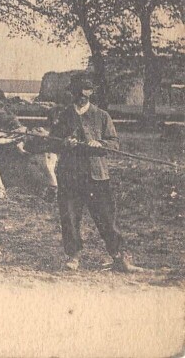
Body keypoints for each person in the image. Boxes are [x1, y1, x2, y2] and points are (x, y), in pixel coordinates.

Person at [49, 73, 143, 273]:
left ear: (91, 94)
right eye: (79, 94)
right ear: (72, 94)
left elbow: (114, 143)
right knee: (70, 217)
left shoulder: (102, 116)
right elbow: (51, 142)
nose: (82, 98)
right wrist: (64, 143)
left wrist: (99, 143)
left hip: (97, 177)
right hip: (69, 176)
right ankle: (73, 257)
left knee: (106, 218)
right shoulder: (62, 115)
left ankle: (118, 256)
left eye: (86, 94)